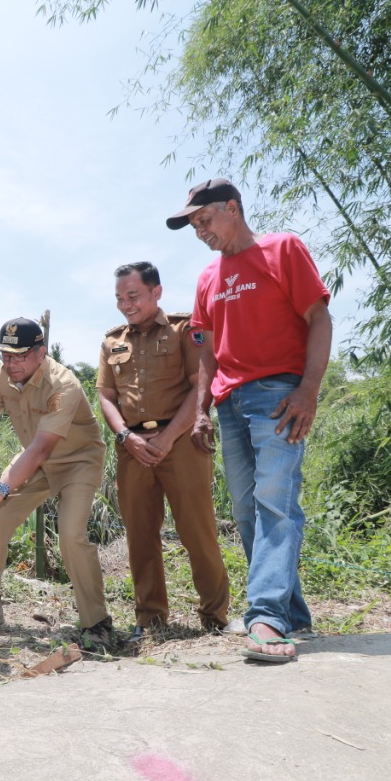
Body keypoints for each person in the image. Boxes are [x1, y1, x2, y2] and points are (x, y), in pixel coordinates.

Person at [167, 178, 332, 663]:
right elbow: (207, 353)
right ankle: (291, 612)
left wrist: (308, 390)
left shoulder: (283, 249)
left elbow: (319, 319)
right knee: (245, 510)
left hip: (279, 396)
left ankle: (265, 617)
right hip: (230, 404)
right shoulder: (208, 278)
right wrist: (201, 410)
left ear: (233, 209)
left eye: (205, 220)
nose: (201, 231)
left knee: (275, 503)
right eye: (194, 226)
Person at [0, 318, 115, 653]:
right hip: (36, 459)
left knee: (70, 535)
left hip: (77, 461)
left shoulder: (63, 384)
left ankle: (97, 623)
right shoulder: (5, 375)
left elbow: (42, 447)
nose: (10, 363)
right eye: (5, 356)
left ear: (41, 353)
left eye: (19, 356)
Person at [97, 262, 231, 641]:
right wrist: (126, 436)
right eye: (120, 298)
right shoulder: (112, 342)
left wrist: (169, 437)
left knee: (197, 531)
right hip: (133, 448)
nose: (126, 304)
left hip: (182, 443)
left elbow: (200, 386)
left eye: (133, 296)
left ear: (156, 292)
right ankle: (150, 618)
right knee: (140, 536)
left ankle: (215, 617)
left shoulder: (184, 330)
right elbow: (106, 396)